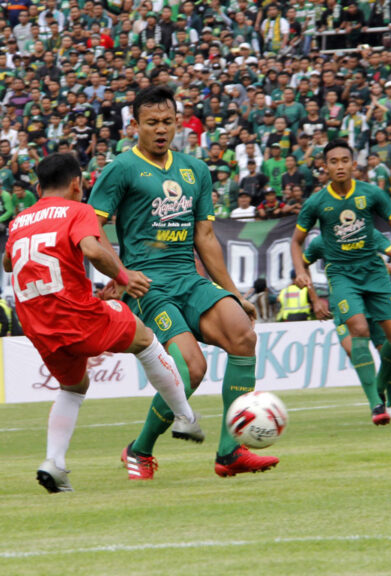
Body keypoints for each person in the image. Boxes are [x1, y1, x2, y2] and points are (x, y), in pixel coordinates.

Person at [88, 86, 279, 479]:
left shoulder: (196, 170)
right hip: (148, 286)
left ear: (178, 123)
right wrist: (121, 274)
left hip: (189, 279)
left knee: (243, 335)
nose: (161, 129)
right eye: (151, 122)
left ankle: (230, 454)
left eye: (167, 121)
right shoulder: (122, 168)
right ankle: (139, 450)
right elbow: (92, 229)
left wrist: (232, 292)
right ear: (135, 126)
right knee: (192, 368)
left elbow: (205, 239)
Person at [4, 153, 202, 493]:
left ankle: (54, 462)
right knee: (146, 340)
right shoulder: (78, 210)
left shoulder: (19, 219)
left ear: (38, 188)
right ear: (77, 185)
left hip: (36, 322)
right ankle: (185, 416)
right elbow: (94, 252)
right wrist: (125, 276)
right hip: (73, 311)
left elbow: (9, 263)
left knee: (74, 387)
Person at [291, 139, 391, 426]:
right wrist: (302, 274)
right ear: (324, 166)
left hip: (375, 274)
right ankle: (376, 404)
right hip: (342, 276)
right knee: (358, 329)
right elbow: (296, 242)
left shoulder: (372, 194)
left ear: (354, 164)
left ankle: (380, 388)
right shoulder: (316, 202)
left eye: (344, 160)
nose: (339, 166)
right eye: (333, 161)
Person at [303, 231, 391, 418]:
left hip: (373, 300)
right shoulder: (320, 242)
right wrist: (314, 300)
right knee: (353, 349)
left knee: (388, 354)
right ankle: (375, 402)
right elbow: (301, 267)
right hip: (346, 302)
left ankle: (389, 402)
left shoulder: (366, 232)